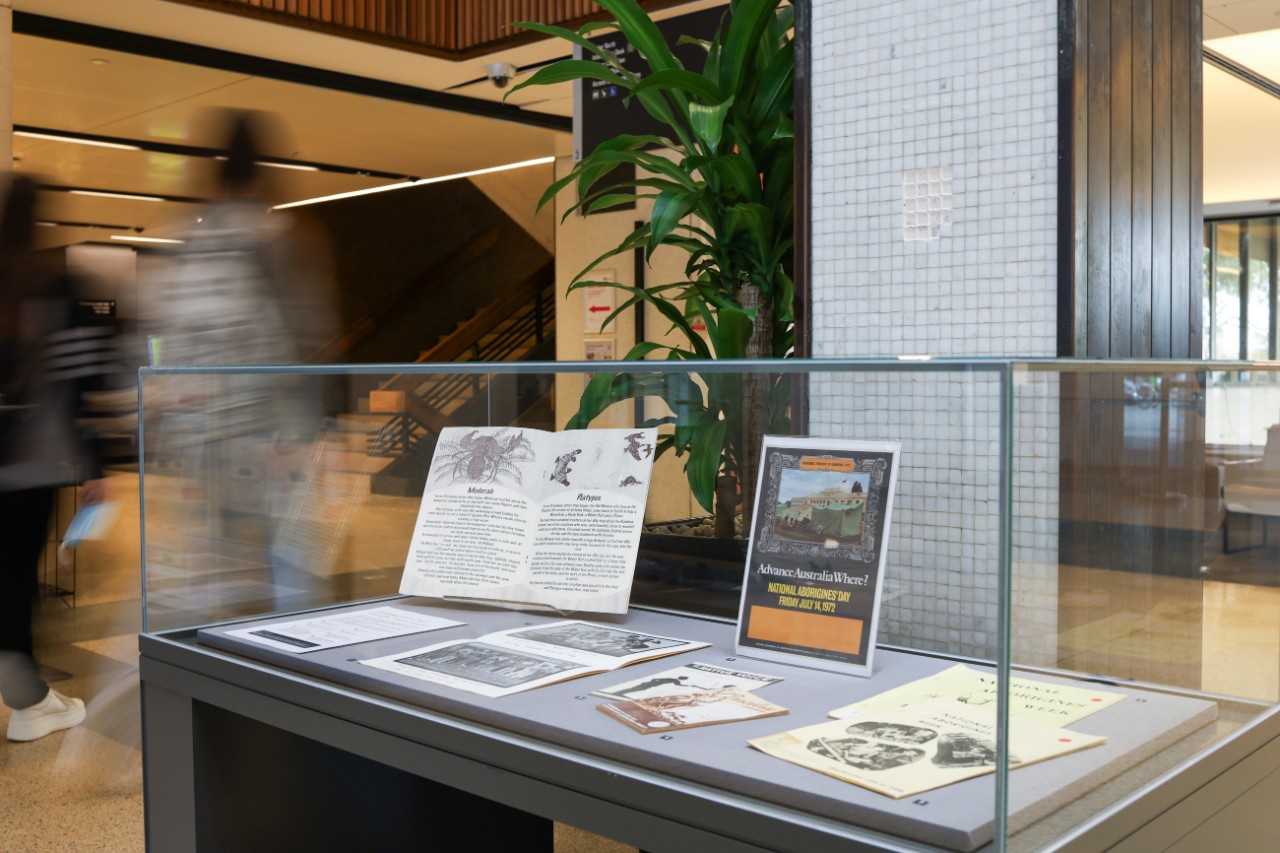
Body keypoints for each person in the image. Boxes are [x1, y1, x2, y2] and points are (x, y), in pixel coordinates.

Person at [0, 177, 116, 741]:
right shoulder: (55, 287)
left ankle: (27, 693)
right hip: (31, 467)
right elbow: (81, 383)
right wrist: (97, 466)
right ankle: (29, 705)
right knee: (17, 579)